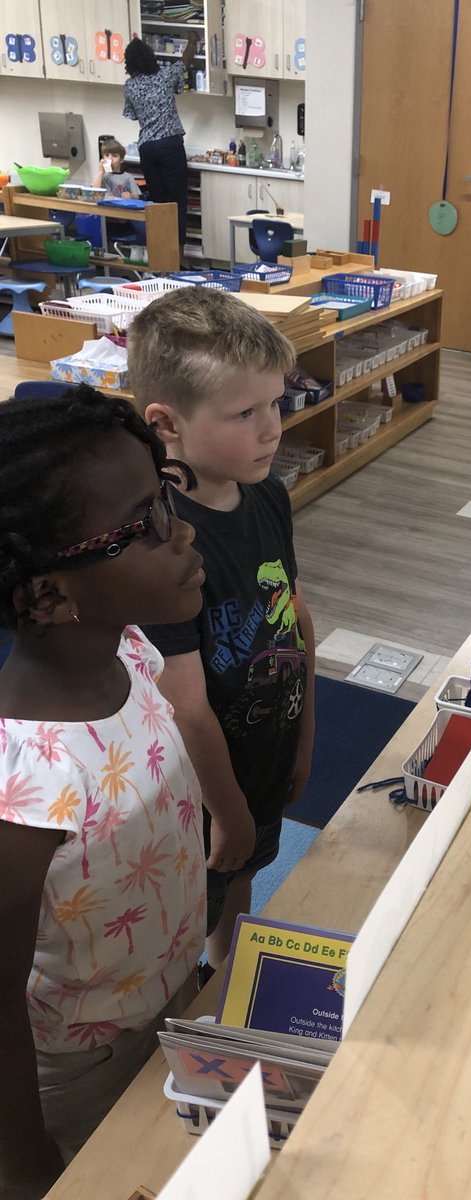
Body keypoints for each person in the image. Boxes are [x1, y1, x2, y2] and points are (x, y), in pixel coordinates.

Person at [0, 385, 207, 1200]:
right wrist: (23, 1166)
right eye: (146, 525)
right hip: (78, 1065)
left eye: (166, 499)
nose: (184, 530)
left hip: (167, 992)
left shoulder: (132, 651)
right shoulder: (23, 790)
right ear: (51, 596)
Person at [130, 288, 316, 974]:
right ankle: (194, 982)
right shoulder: (163, 540)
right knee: (190, 901)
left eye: (276, 402)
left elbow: (296, 617)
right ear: (166, 423)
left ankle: (224, 971)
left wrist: (305, 736)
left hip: (264, 750)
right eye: (246, 412)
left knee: (241, 881)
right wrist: (228, 811)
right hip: (199, 787)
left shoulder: (267, 491)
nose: (273, 428)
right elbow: (184, 705)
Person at [122, 32, 198, 249]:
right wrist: (192, 40)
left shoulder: (130, 86)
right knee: (177, 204)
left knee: (157, 204)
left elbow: (132, 114)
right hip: (170, 146)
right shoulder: (165, 76)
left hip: (147, 147)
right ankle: (178, 258)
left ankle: (161, 256)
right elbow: (184, 61)